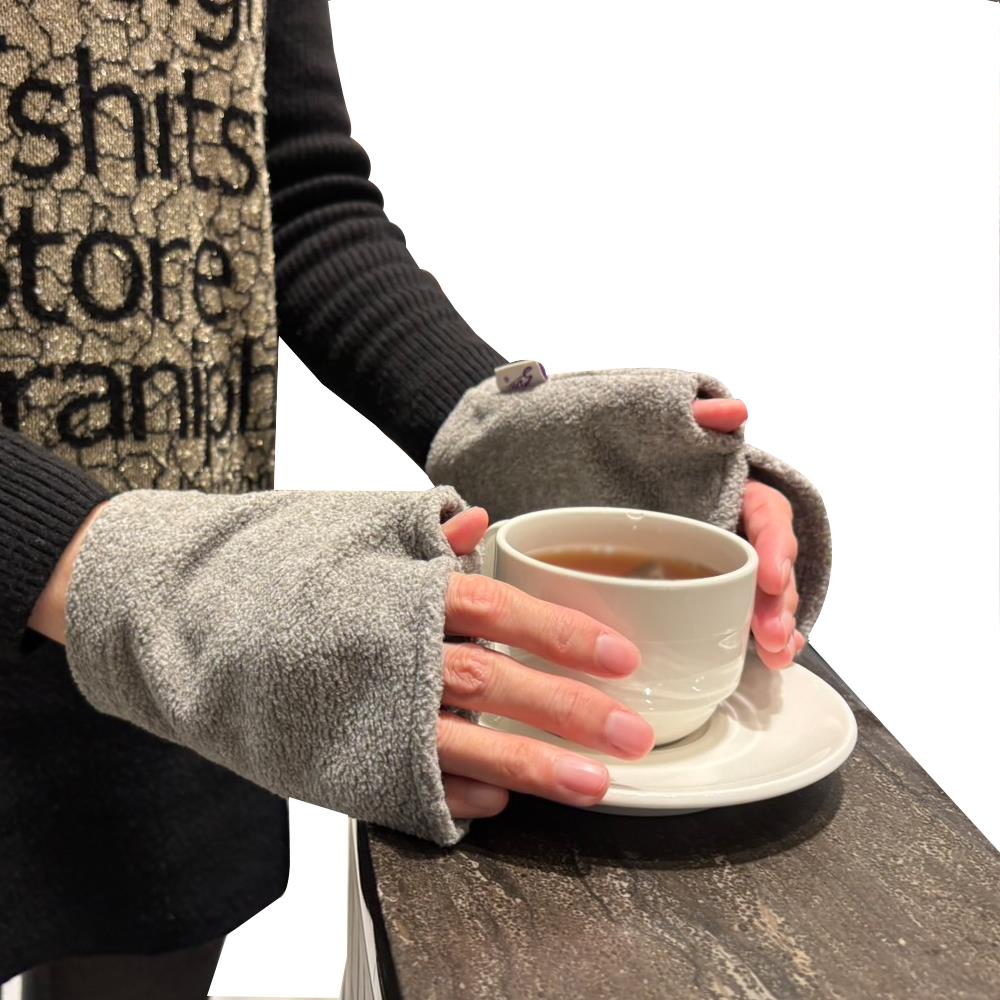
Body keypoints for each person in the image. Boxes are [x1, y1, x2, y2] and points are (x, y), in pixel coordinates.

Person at [0, 1, 828, 996]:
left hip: (192, 678)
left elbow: (293, 196)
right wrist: (132, 576)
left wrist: (514, 441)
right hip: (183, 609)